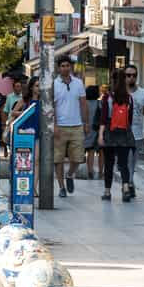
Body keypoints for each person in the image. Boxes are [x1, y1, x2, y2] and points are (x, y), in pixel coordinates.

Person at [52, 56, 88, 198]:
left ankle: (70, 174)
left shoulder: (78, 83)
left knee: (78, 157)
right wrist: (54, 124)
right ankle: (61, 187)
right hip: (60, 126)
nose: (65, 68)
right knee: (58, 159)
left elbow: (83, 103)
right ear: (59, 68)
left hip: (77, 125)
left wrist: (86, 122)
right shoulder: (54, 84)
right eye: (63, 66)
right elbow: (53, 106)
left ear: (71, 67)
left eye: (67, 65)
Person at [98, 69, 136, 202]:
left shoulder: (107, 97)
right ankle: (125, 188)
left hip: (110, 133)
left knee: (109, 163)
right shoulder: (129, 98)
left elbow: (103, 118)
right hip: (124, 134)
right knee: (123, 163)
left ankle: (107, 192)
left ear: (112, 81)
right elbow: (130, 120)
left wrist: (100, 135)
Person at [84, 85, 104, 180]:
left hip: (86, 130)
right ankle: (100, 172)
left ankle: (89, 171)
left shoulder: (84, 104)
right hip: (97, 130)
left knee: (88, 151)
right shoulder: (99, 103)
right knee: (99, 152)